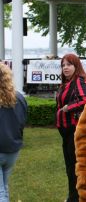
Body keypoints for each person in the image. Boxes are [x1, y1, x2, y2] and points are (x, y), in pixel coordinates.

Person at [56, 54, 86, 202]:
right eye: (63, 65)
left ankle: (76, 198)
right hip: (66, 133)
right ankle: (73, 196)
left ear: (76, 66)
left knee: (75, 168)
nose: (65, 68)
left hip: (75, 131)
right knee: (70, 167)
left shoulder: (79, 81)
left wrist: (67, 108)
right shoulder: (67, 83)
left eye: (69, 65)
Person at [0, 63, 27, 202]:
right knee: (4, 185)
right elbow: (22, 121)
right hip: (13, 149)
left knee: (1, 191)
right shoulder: (20, 97)